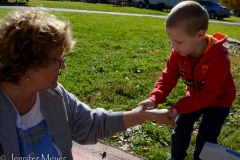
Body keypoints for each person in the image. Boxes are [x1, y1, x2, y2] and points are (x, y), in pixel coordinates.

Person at [0, 9, 176, 159]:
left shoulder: (53, 95)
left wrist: (144, 115)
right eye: (57, 59)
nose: (63, 65)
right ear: (29, 64)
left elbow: (91, 124)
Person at [138, 1, 236, 160]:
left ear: (199, 35)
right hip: (195, 97)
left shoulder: (219, 59)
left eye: (179, 41)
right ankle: (176, 158)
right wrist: (154, 98)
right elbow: (168, 77)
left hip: (219, 102)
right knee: (180, 127)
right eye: (171, 40)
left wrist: (178, 107)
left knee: (206, 139)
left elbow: (209, 94)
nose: (174, 47)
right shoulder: (178, 53)